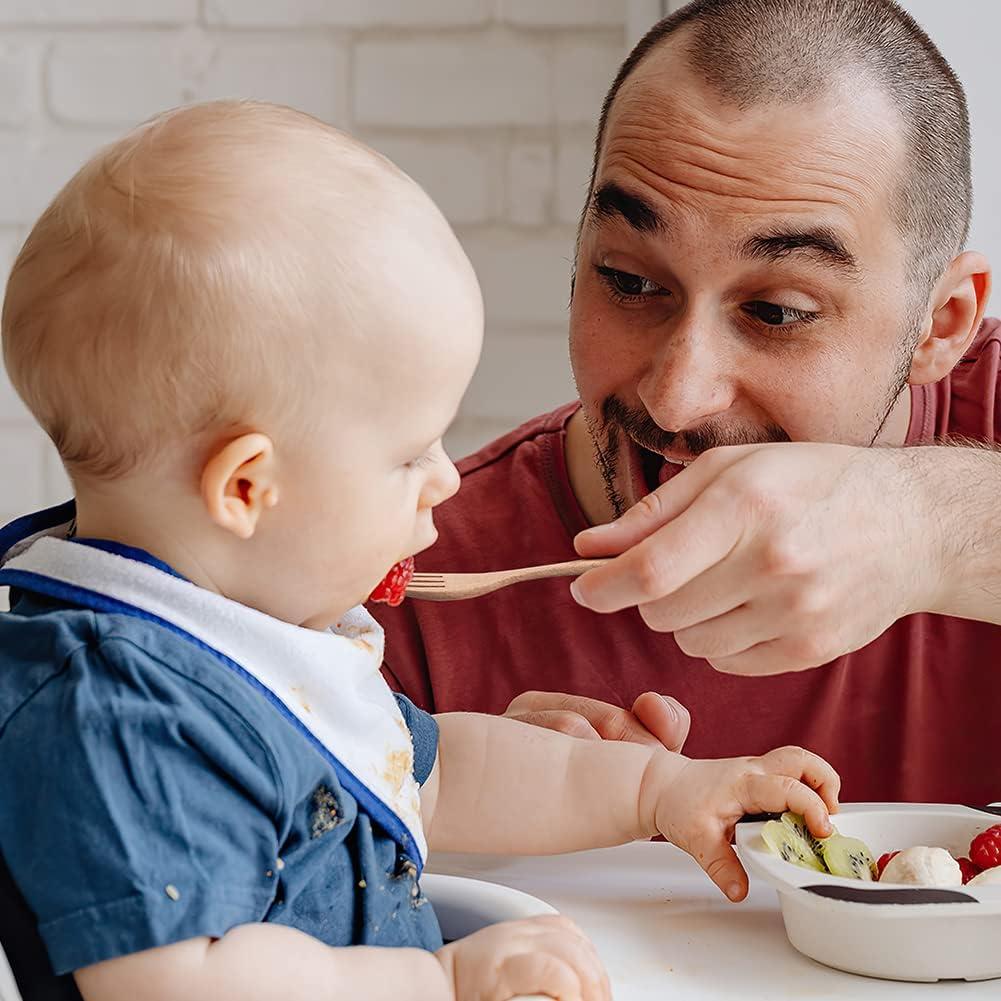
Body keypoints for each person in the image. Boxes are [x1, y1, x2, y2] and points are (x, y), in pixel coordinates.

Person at [0, 100, 840, 1001]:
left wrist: (659, 789)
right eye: (408, 454)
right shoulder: (123, 707)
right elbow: (175, 981)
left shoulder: (257, 635)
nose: (447, 477)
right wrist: (436, 980)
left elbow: (442, 776)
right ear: (246, 488)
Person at [374, 0, 1001, 805]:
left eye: (775, 312)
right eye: (630, 283)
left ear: (938, 325)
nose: (673, 398)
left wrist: (929, 531)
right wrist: (458, 821)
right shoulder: (410, 583)